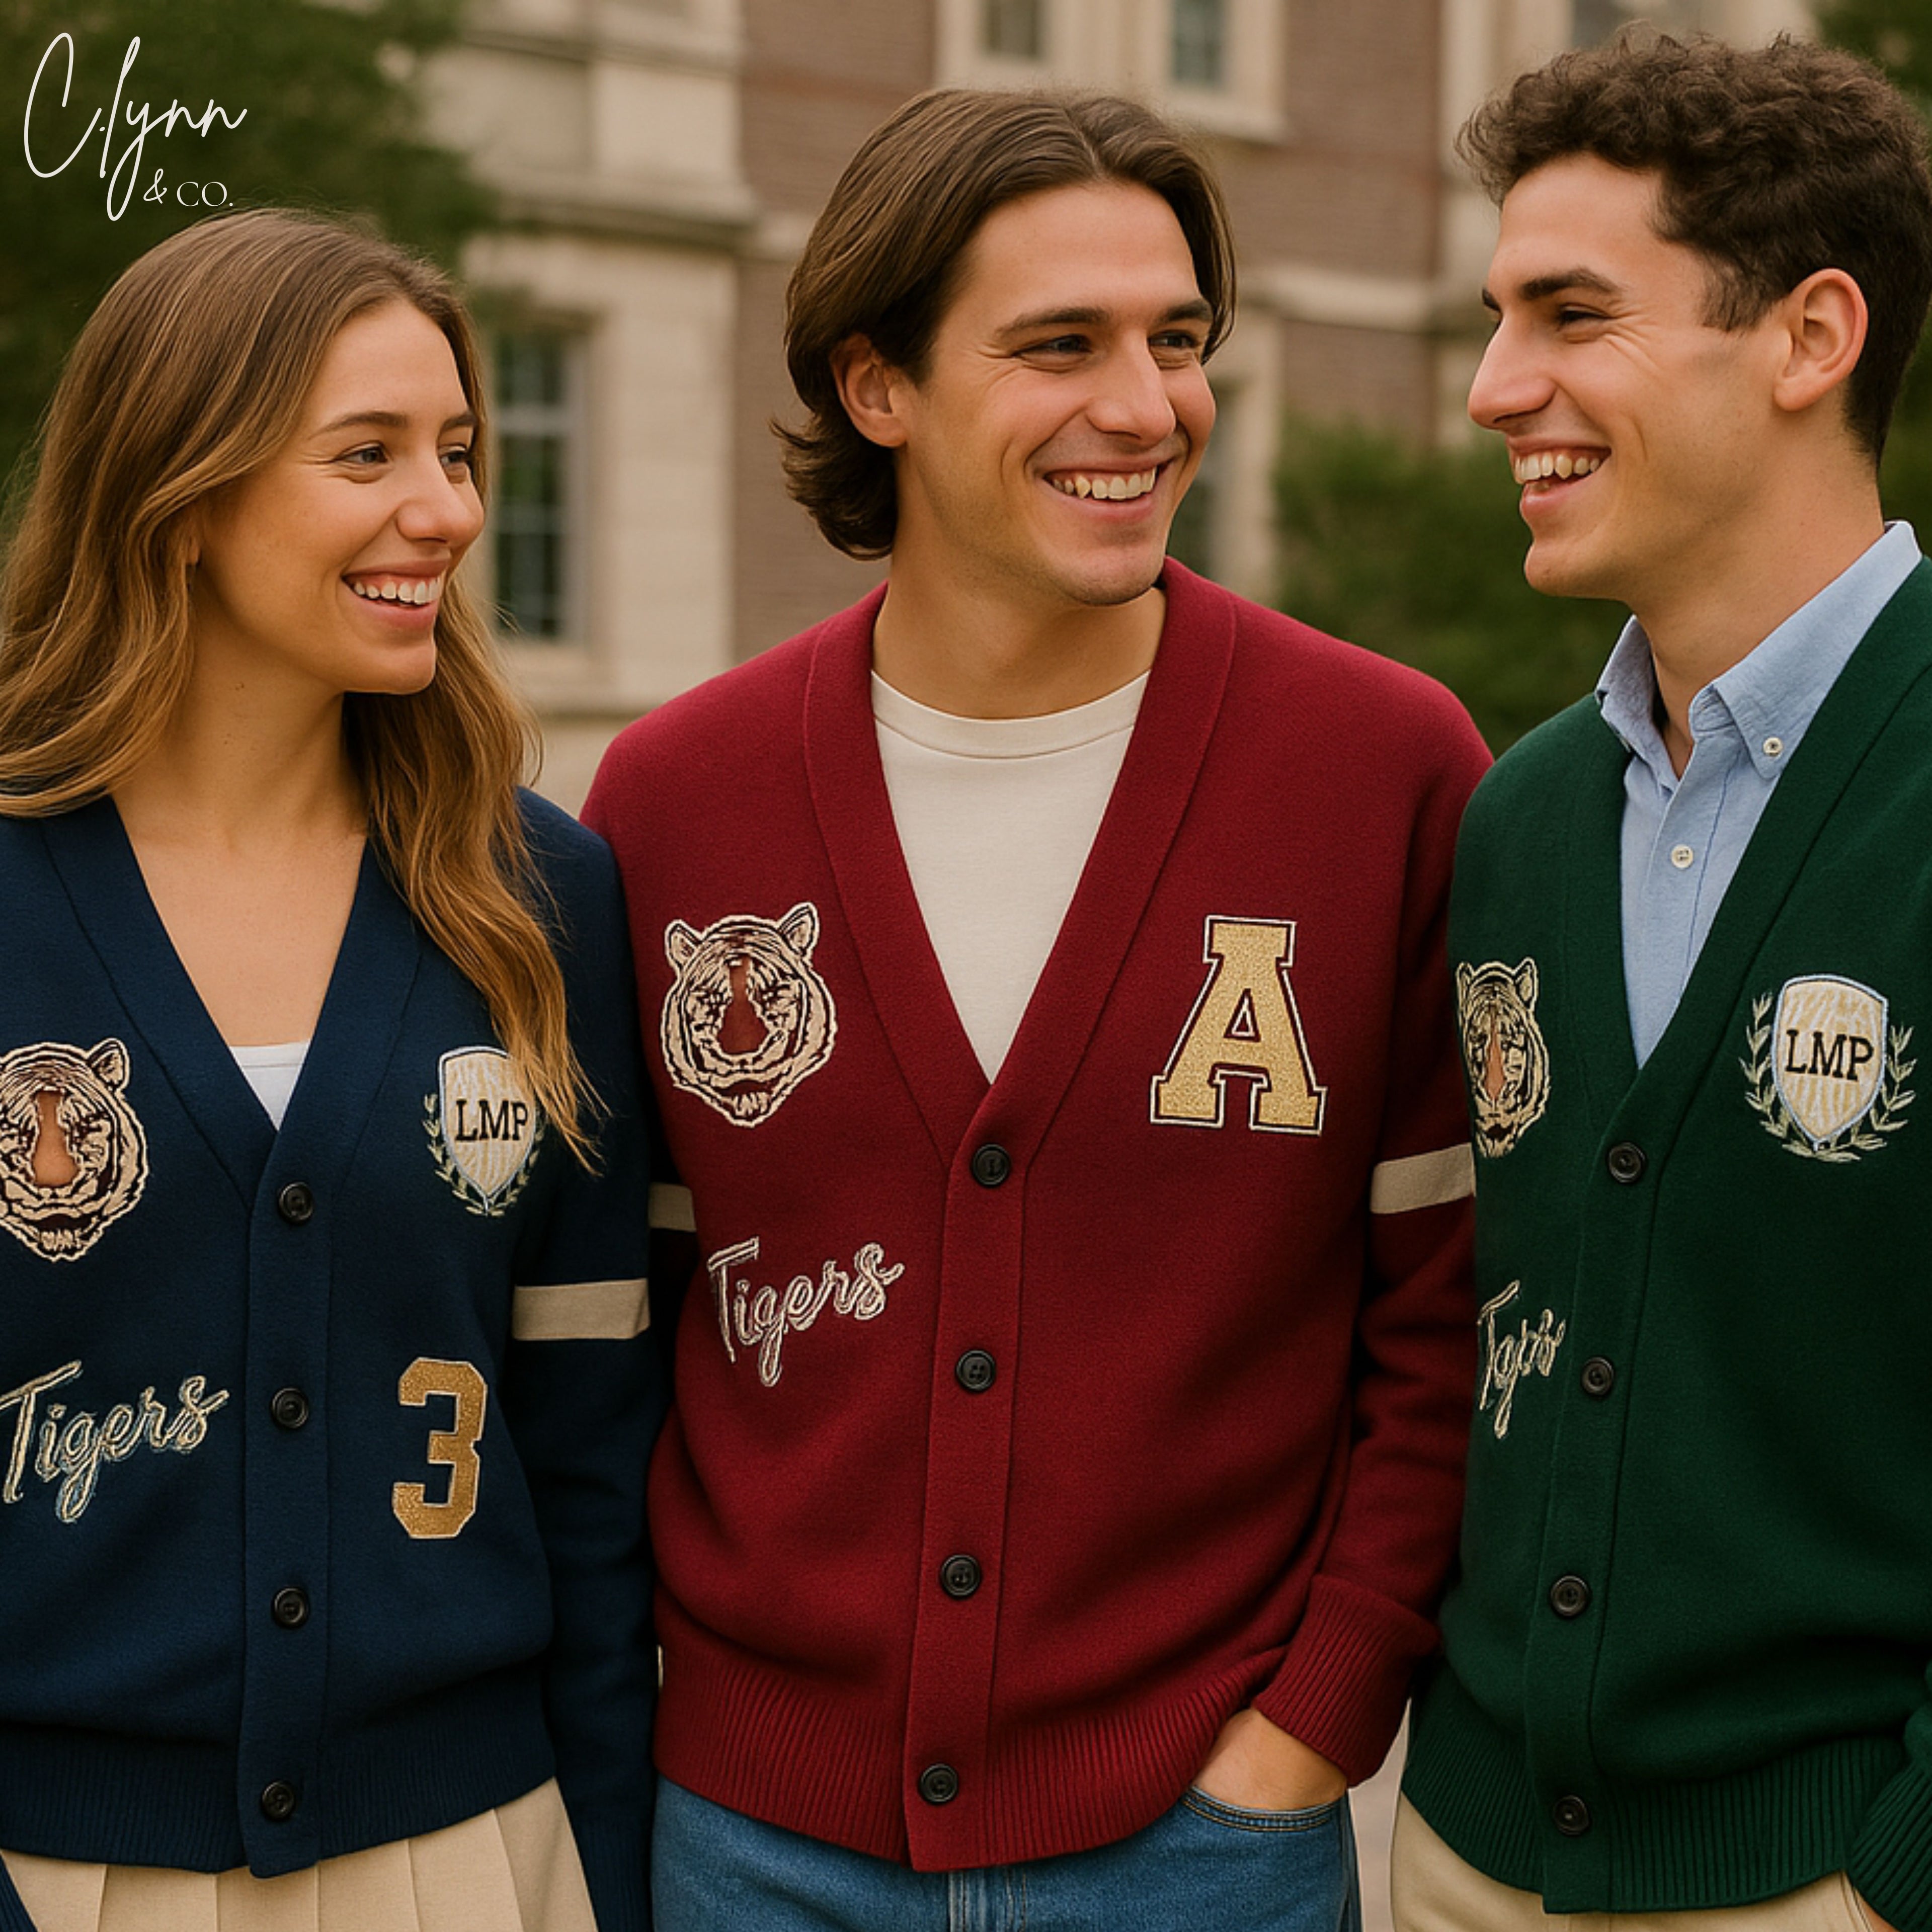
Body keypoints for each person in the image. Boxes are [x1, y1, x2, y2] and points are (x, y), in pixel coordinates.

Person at [584, 88, 1489, 1931]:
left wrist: (1314, 1722)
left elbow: (1452, 1313)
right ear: (877, 385)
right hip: (751, 1847)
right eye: (1058, 346)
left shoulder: (1382, 770)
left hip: (1208, 1844)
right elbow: (622, 1325)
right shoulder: (677, 802)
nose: (1145, 408)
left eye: (1177, 342)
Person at [0, 211, 659, 1932]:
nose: (443, 510)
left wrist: (609, 1876)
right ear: (183, 495)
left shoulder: (540, 896)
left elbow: (590, 1468)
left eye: (456, 450)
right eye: (365, 455)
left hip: (474, 1862)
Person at [1393, 32, 1932, 1932]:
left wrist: (1895, 1884)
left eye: (1571, 314)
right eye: (1494, 316)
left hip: (1823, 1885)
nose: (1490, 388)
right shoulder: (1519, 818)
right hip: (1465, 1857)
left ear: (1809, 338)